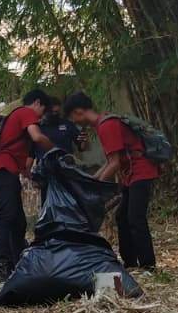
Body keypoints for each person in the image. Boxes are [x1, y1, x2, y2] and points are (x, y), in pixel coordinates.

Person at [63, 92, 160, 269]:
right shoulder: (104, 122)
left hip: (140, 172)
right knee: (122, 216)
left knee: (135, 218)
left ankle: (148, 265)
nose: (76, 123)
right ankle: (130, 262)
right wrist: (93, 180)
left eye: (73, 118)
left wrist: (95, 186)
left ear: (78, 112)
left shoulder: (106, 125)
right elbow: (111, 161)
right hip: (131, 175)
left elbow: (114, 164)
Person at [0, 90, 55, 273]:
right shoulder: (25, 112)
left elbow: (19, 155)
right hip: (3, 171)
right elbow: (37, 137)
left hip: (4, 172)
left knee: (19, 221)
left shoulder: (14, 118)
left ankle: (19, 262)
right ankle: (4, 263)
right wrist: (56, 151)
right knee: (7, 217)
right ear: (37, 103)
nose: (40, 118)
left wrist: (27, 173)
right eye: (43, 111)